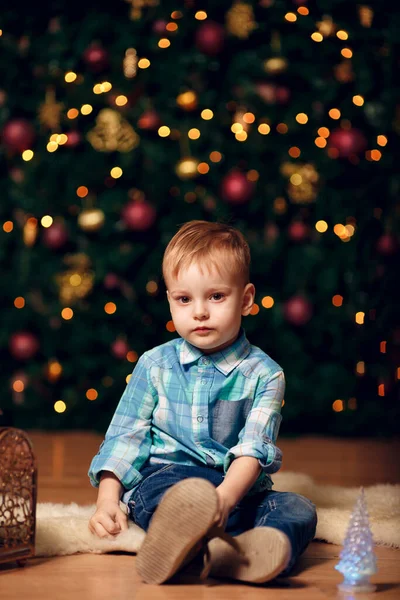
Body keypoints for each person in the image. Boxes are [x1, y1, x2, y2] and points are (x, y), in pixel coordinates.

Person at [88, 220, 317, 585]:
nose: (199, 312)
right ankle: (190, 539)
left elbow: (254, 449)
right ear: (170, 301)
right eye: (184, 299)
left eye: (216, 296)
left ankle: (249, 554)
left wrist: (224, 500)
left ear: (245, 300)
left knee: (297, 508)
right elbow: (125, 436)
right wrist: (107, 501)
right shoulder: (155, 364)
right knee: (162, 495)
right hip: (169, 479)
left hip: (236, 489)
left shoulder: (265, 374)